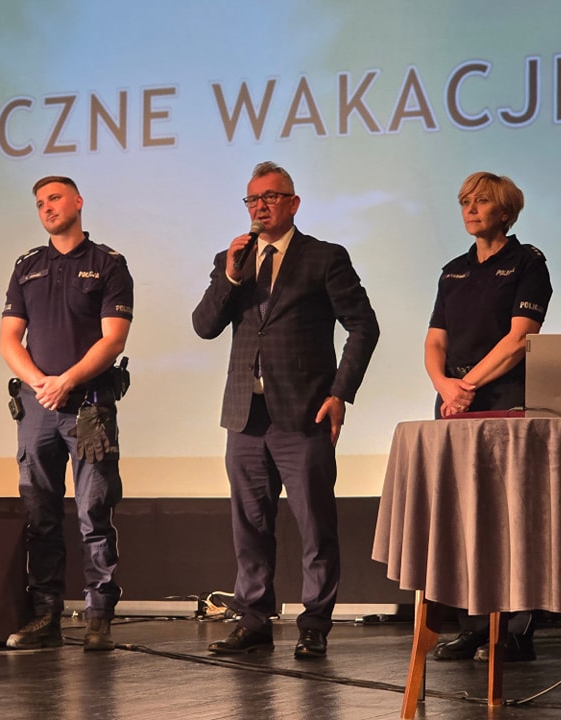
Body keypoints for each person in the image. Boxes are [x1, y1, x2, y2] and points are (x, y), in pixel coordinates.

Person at [192, 161, 379, 658]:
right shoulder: (232, 260)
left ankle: (314, 623)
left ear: (293, 204)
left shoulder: (324, 257)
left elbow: (364, 326)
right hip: (244, 416)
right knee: (250, 525)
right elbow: (204, 326)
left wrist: (340, 392)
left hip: (304, 413)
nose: (260, 207)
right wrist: (229, 277)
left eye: (270, 197)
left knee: (315, 524)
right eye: (253, 199)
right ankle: (253, 619)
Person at [0, 175, 133, 652]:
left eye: (54, 198)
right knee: (41, 514)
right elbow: (9, 339)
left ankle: (98, 615)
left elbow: (113, 339)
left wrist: (67, 381)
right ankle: (46, 615)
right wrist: (41, 383)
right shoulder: (27, 266)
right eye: (40, 203)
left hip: (89, 406)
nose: (47, 208)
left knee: (94, 511)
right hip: (38, 406)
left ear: (77, 201)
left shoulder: (108, 264)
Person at [424, 172, 552, 662]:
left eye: (481, 201)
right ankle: (474, 626)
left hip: (505, 402)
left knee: (511, 517)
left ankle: (516, 630)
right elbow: (435, 340)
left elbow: (519, 339)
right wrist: (443, 385)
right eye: (465, 202)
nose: (471, 209)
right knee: (464, 518)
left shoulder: (528, 263)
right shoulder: (452, 271)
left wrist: (466, 386)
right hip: (455, 403)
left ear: (505, 212)